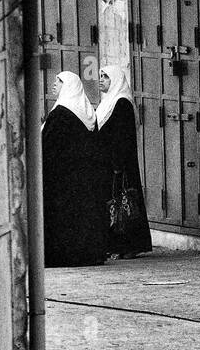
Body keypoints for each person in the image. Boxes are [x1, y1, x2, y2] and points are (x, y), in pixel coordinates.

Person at [42, 71, 109, 267]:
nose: (54, 84)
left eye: (59, 81)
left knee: (63, 219)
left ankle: (62, 256)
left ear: (68, 87)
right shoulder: (87, 112)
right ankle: (88, 254)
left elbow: (47, 147)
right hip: (84, 179)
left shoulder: (61, 113)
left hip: (60, 180)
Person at [95, 64, 152, 258]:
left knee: (124, 204)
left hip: (120, 165)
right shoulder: (108, 102)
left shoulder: (122, 103)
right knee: (115, 206)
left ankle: (128, 247)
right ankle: (118, 246)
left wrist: (117, 165)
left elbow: (122, 137)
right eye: (100, 76)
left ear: (116, 80)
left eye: (105, 77)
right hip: (110, 163)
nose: (101, 80)